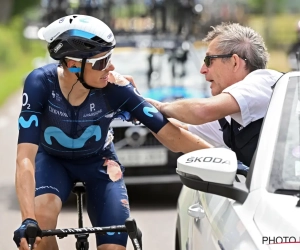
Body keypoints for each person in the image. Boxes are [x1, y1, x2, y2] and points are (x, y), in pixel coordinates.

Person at [13, 14, 212, 250]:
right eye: (101, 62)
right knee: (39, 228)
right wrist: (27, 218)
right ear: (72, 64)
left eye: (110, 58)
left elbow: (170, 134)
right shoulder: (40, 83)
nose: (111, 67)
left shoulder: (116, 88)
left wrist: (223, 158)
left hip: (100, 163)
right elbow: (25, 156)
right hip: (53, 162)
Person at [146, 22, 284, 168]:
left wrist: (161, 107)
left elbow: (202, 110)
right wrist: (138, 107)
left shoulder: (263, 82)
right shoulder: (228, 115)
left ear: (235, 62)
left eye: (208, 60)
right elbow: (177, 137)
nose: (203, 69)